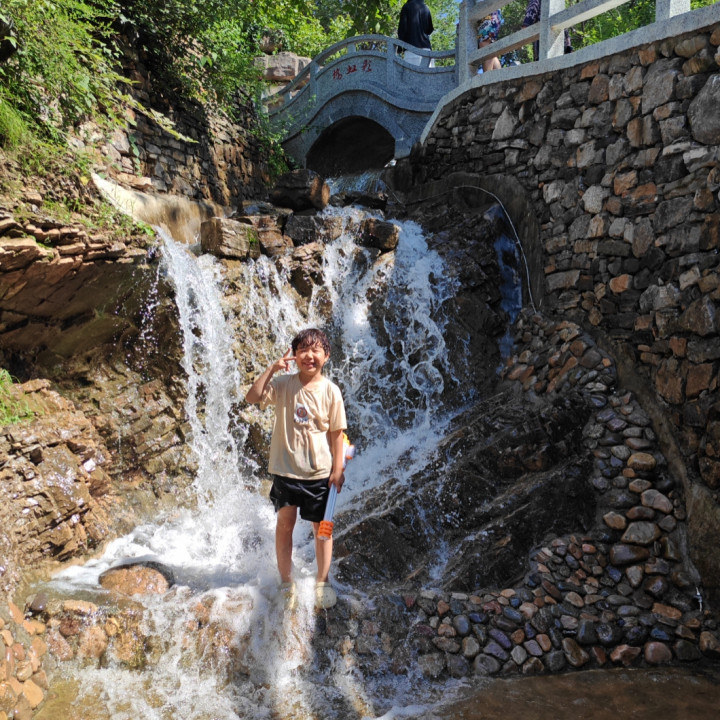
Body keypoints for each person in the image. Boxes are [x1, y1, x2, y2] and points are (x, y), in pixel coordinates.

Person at [245, 328, 347, 610]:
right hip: (285, 472)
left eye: (315, 350)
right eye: (302, 350)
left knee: (323, 530)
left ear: (326, 355)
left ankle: (322, 581)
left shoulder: (331, 391)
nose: (309, 355)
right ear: (294, 355)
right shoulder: (282, 384)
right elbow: (252, 397)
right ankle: (286, 581)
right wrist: (272, 369)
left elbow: (337, 434)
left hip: (319, 475)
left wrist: (337, 470)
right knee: (284, 526)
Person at [397, 0, 434, 66]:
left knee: (410, 72)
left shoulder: (407, 6)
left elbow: (402, 29)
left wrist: (400, 47)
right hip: (427, 50)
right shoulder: (426, 8)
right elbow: (430, 30)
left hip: (411, 50)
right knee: (429, 72)